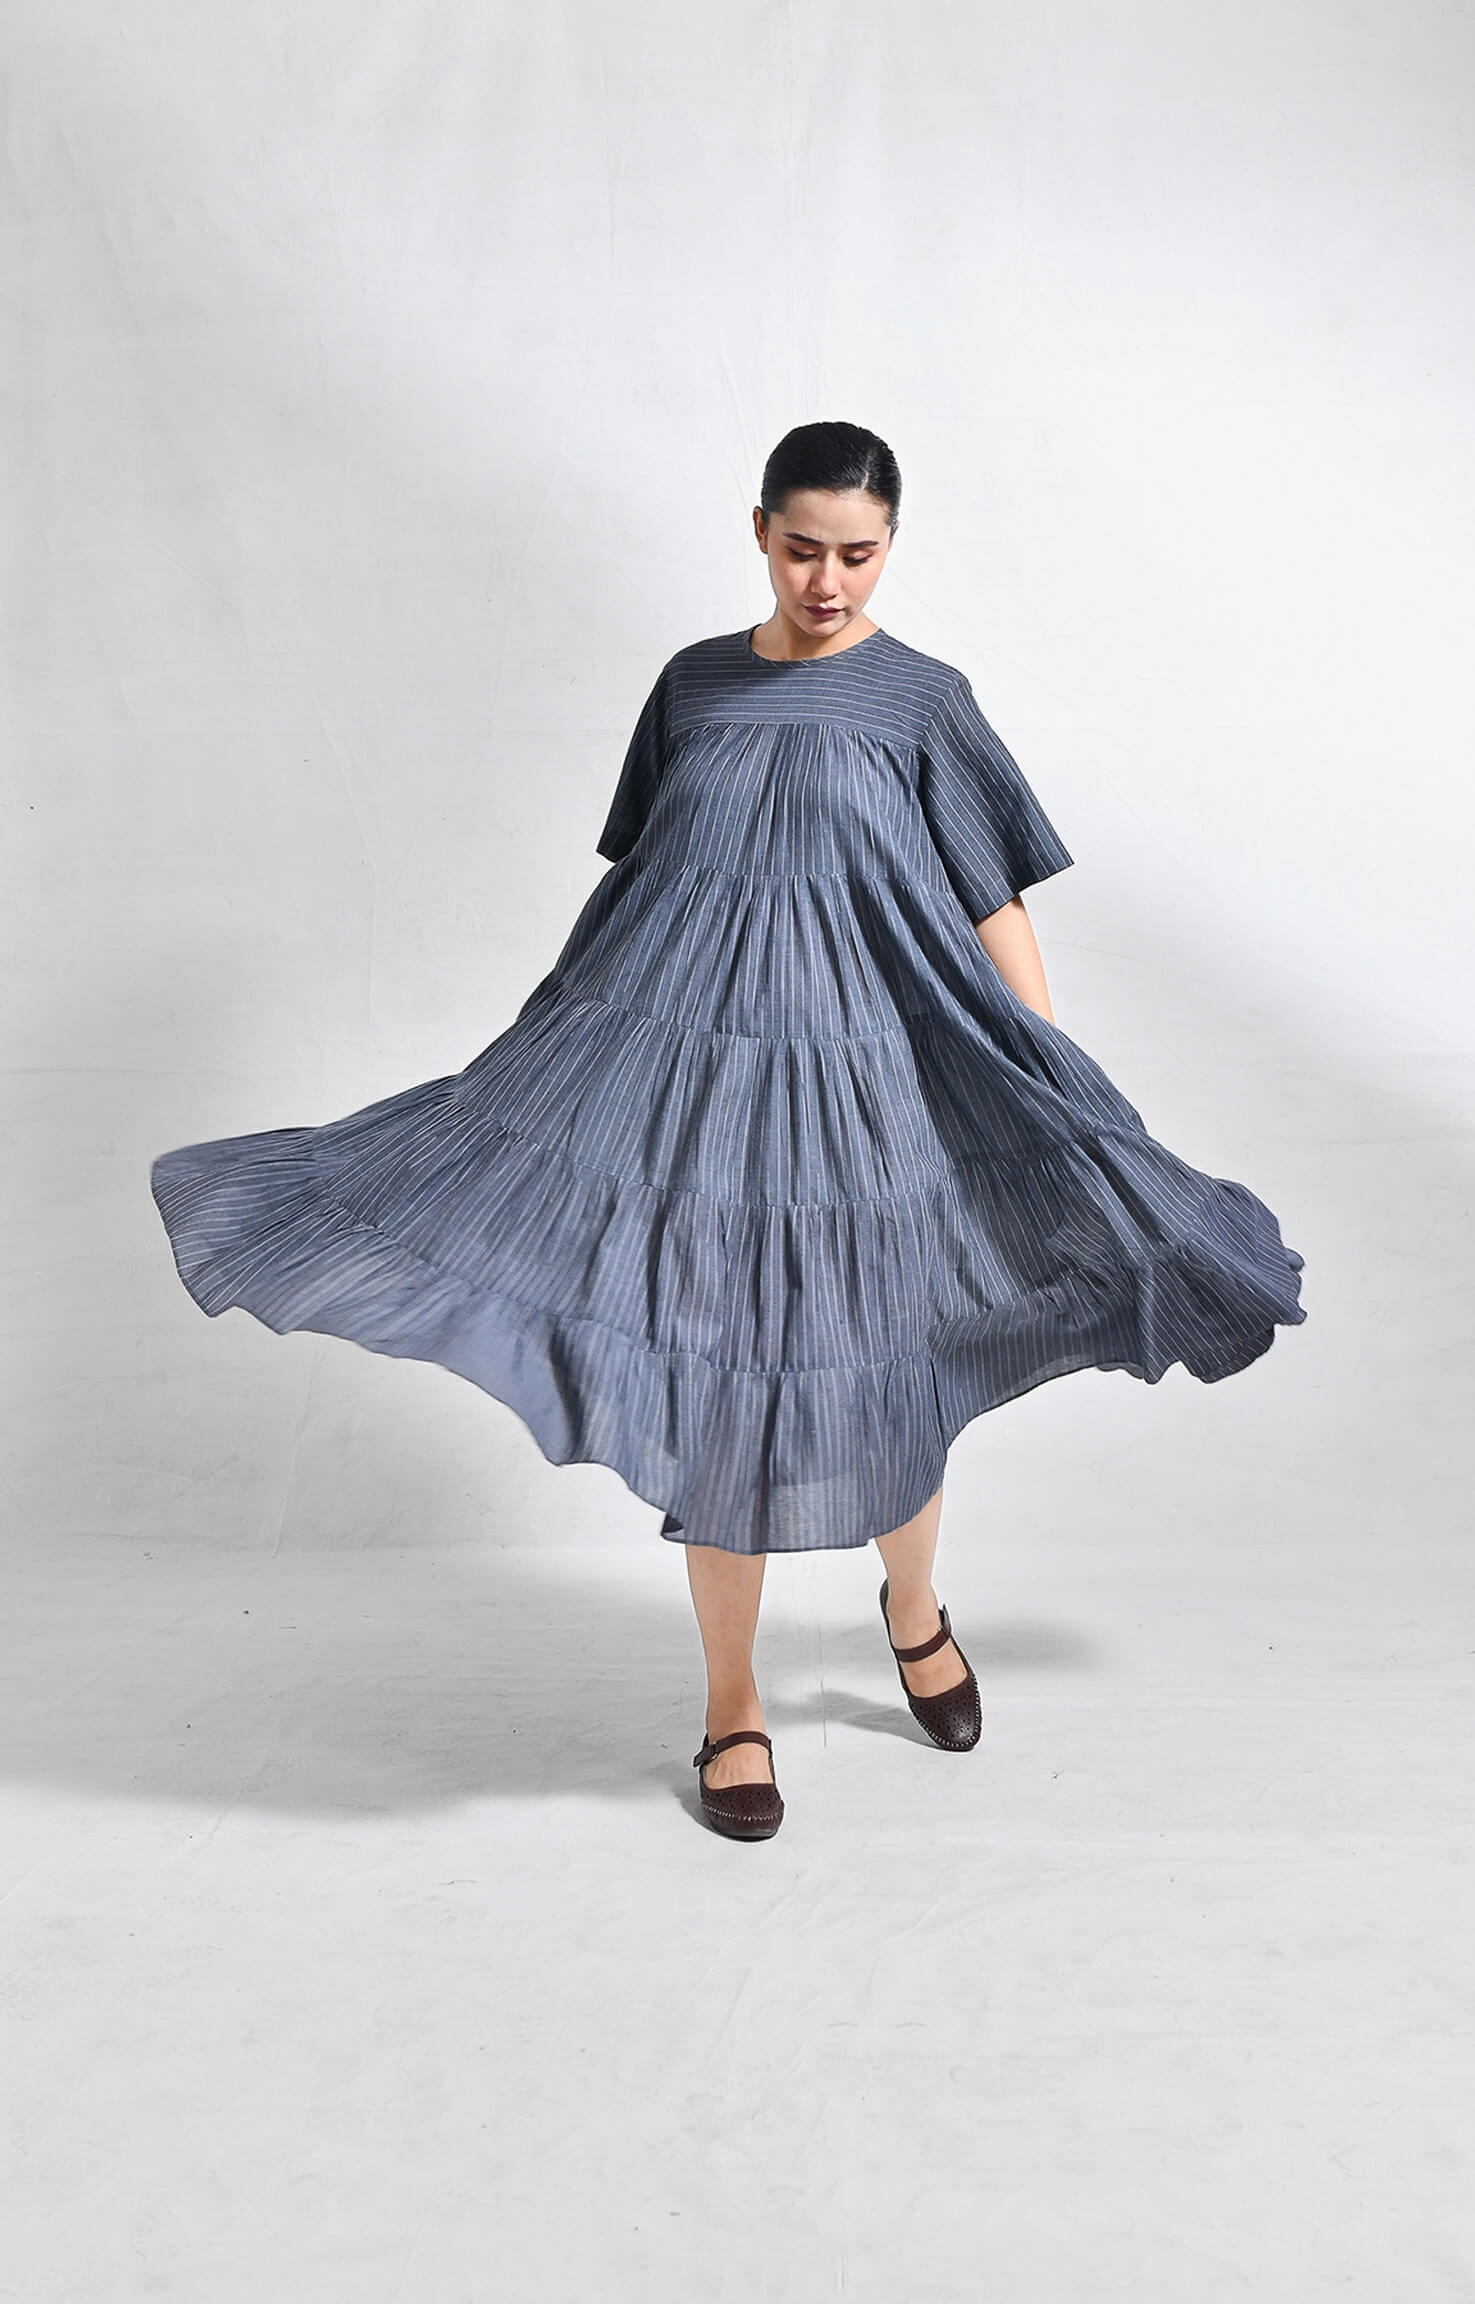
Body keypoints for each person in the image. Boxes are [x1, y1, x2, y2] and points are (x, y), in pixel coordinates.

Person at [150, 419, 1305, 1845]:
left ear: (892, 546)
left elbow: (994, 898)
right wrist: (557, 1048)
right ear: (759, 531)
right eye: (803, 548)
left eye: (859, 555)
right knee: (720, 1386)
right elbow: (654, 882)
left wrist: (1047, 1077)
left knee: (893, 1367)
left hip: (876, 1089)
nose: (828, 580)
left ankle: (915, 1611)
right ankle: (731, 1704)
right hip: (701, 1095)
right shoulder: (692, 686)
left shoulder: (923, 702)